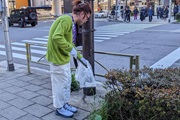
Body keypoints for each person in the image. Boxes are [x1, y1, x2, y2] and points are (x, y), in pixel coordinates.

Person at [46, 0, 92, 118]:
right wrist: (70, 49)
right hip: (57, 59)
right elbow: (57, 37)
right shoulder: (66, 20)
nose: (86, 20)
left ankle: (64, 104)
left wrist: (81, 58)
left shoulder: (70, 21)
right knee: (59, 85)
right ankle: (59, 107)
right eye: (87, 18)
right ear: (82, 14)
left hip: (63, 58)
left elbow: (69, 43)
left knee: (66, 83)